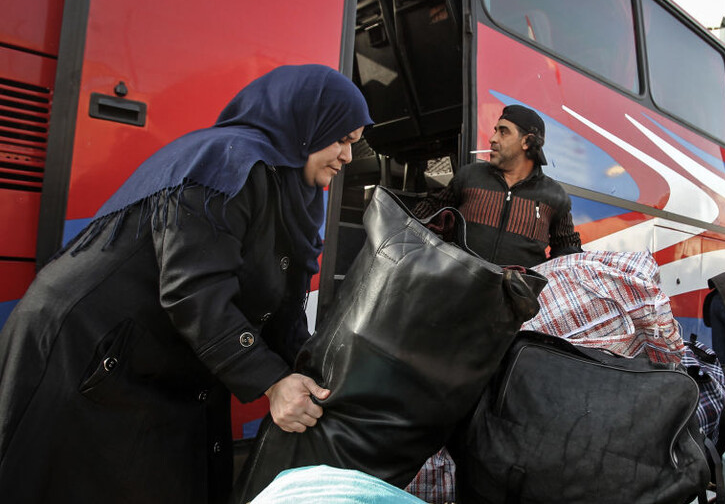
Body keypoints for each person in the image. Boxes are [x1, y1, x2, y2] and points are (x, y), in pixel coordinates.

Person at [0, 65, 373, 503]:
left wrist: (317, 376)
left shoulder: (293, 189)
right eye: (342, 139)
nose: (349, 157)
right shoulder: (224, 161)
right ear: (308, 126)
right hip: (87, 353)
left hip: (138, 362)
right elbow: (193, 290)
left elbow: (285, 308)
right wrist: (273, 382)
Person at [413, 104, 582, 268]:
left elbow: (568, 250)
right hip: (458, 287)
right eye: (495, 131)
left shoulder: (555, 196)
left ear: (527, 142)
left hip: (512, 295)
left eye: (503, 132)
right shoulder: (469, 176)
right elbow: (431, 210)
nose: (492, 138)